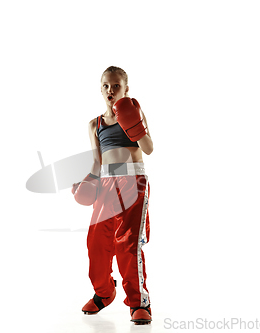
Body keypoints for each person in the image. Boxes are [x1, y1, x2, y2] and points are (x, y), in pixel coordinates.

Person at [72, 66, 154, 325]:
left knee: (127, 244)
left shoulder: (135, 114)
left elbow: (149, 149)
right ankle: (104, 292)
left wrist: (134, 126)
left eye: (116, 85)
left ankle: (138, 302)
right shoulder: (94, 124)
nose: (111, 90)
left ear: (126, 88)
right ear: (100, 88)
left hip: (133, 181)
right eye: (106, 86)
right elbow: (97, 163)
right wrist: (87, 182)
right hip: (106, 185)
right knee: (96, 242)